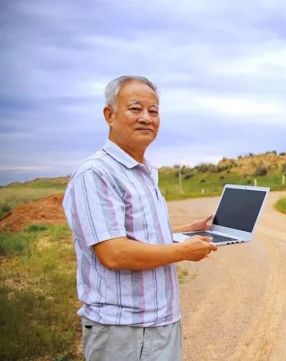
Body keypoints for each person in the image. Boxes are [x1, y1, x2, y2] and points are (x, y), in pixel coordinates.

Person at [62, 75, 216, 361]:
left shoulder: (145, 172)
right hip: (123, 331)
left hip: (162, 321)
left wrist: (189, 230)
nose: (147, 118)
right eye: (135, 109)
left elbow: (140, 234)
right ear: (110, 115)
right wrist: (182, 251)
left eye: (154, 111)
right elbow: (114, 253)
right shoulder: (96, 174)